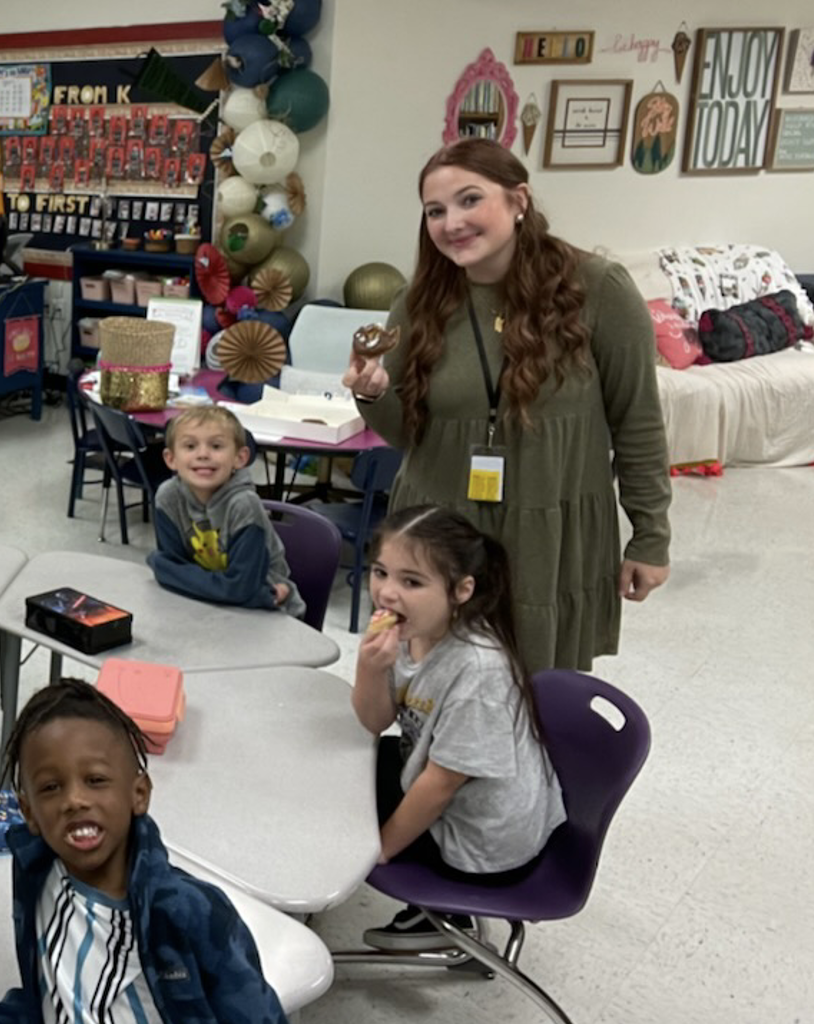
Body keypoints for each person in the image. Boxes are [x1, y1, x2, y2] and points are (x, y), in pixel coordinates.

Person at [344, 137, 670, 673]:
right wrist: (372, 393)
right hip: (439, 528)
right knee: (432, 685)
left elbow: (638, 422)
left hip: (547, 528)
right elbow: (408, 434)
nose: (452, 222)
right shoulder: (419, 299)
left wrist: (651, 535)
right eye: (435, 210)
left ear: (518, 200)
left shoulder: (598, 289)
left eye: (470, 200)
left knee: (535, 689)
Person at [0, 679, 287, 1024]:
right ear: (29, 812)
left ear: (139, 793)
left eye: (96, 780)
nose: (74, 800)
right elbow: (54, 999)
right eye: (51, 787)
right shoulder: (38, 878)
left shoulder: (189, 913)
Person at [351, 506, 565, 951]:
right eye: (380, 572)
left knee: (334, 807)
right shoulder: (412, 631)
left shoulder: (478, 669)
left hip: (482, 840)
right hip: (437, 783)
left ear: (462, 590)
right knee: (339, 771)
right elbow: (376, 721)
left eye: (412, 582)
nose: (387, 593)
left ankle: (443, 917)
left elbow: (443, 783)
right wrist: (370, 668)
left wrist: (381, 850)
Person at [147, 405, 303, 619]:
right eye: (190, 446)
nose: (203, 454)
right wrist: (169, 571)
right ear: (171, 458)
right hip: (209, 607)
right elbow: (171, 570)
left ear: (240, 457)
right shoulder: (169, 497)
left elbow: (239, 587)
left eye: (216, 446)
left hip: (268, 612)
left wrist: (162, 567)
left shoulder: (244, 505)